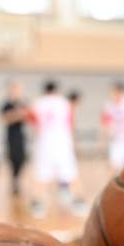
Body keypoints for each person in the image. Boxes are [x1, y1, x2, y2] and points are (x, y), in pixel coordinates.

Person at [30, 81, 83, 214]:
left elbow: (34, 125)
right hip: (62, 143)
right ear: (57, 90)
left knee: (41, 175)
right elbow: (70, 124)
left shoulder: (37, 103)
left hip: (45, 144)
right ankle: (79, 202)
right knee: (71, 174)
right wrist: (74, 144)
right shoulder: (64, 103)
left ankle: (37, 205)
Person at [1, 81, 28, 196]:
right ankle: (13, 182)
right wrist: (17, 115)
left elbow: (27, 116)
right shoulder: (6, 105)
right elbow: (5, 119)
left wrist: (19, 115)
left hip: (21, 136)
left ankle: (18, 180)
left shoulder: (23, 103)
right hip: (10, 137)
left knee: (22, 159)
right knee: (12, 160)